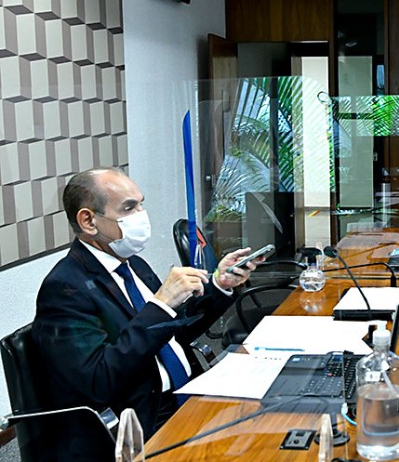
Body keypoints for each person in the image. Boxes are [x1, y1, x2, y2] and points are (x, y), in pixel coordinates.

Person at [31, 167, 261, 460]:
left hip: (189, 394)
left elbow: (171, 333)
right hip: (143, 422)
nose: (141, 215)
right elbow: (98, 380)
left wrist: (219, 285)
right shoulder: (65, 288)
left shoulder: (134, 265)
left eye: (141, 204)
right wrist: (161, 305)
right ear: (88, 221)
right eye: (129, 208)